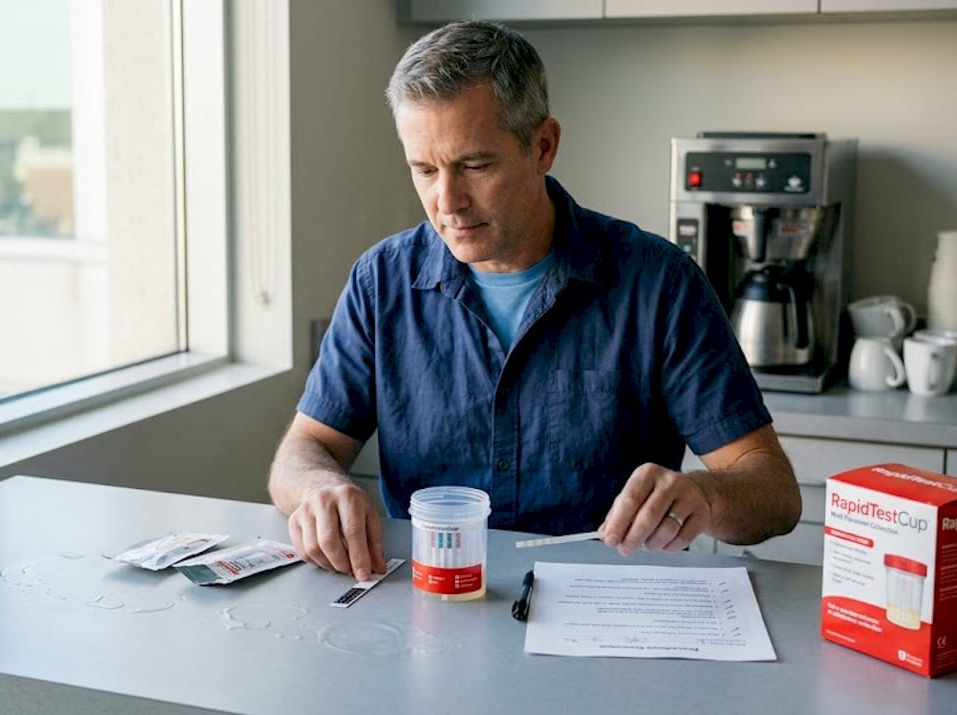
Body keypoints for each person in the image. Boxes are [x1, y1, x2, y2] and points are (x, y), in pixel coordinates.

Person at [268, 20, 800, 581]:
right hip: (436, 597)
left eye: (475, 166)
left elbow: (776, 495)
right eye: (424, 170)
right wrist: (320, 489)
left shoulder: (658, 283)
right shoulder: (382, 281)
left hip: (607, 610)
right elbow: (304, 450)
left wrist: (704, 495)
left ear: (542, 146)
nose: (446, 200)